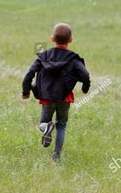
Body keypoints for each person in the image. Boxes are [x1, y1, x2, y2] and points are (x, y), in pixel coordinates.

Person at [22, 23, 90, 161]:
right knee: (62, 125)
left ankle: (47, 127)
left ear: (52, 38)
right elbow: (85, 74)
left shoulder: (43, 57)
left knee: (44, 123)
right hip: (64, 98)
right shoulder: (73, 59)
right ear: (71, 40)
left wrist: (26, 90)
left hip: (47, 98)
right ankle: (56, 156)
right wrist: (85, 87)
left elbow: (30, 73)